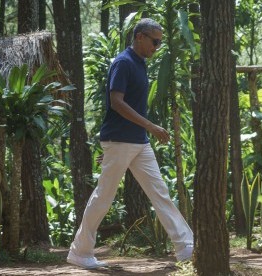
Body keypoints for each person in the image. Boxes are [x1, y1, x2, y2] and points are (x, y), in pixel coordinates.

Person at [67, 18, 194, 269]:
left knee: (160, 192)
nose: (157, 47)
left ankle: (186, 247)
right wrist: (150, 127)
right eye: (155, 41)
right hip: (121, 139)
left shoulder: (139, 63)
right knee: (104, 196)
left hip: (137, 142)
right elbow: (116, 102)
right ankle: (80, 251)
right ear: (139, 37)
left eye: (160, 42)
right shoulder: (123, 62)